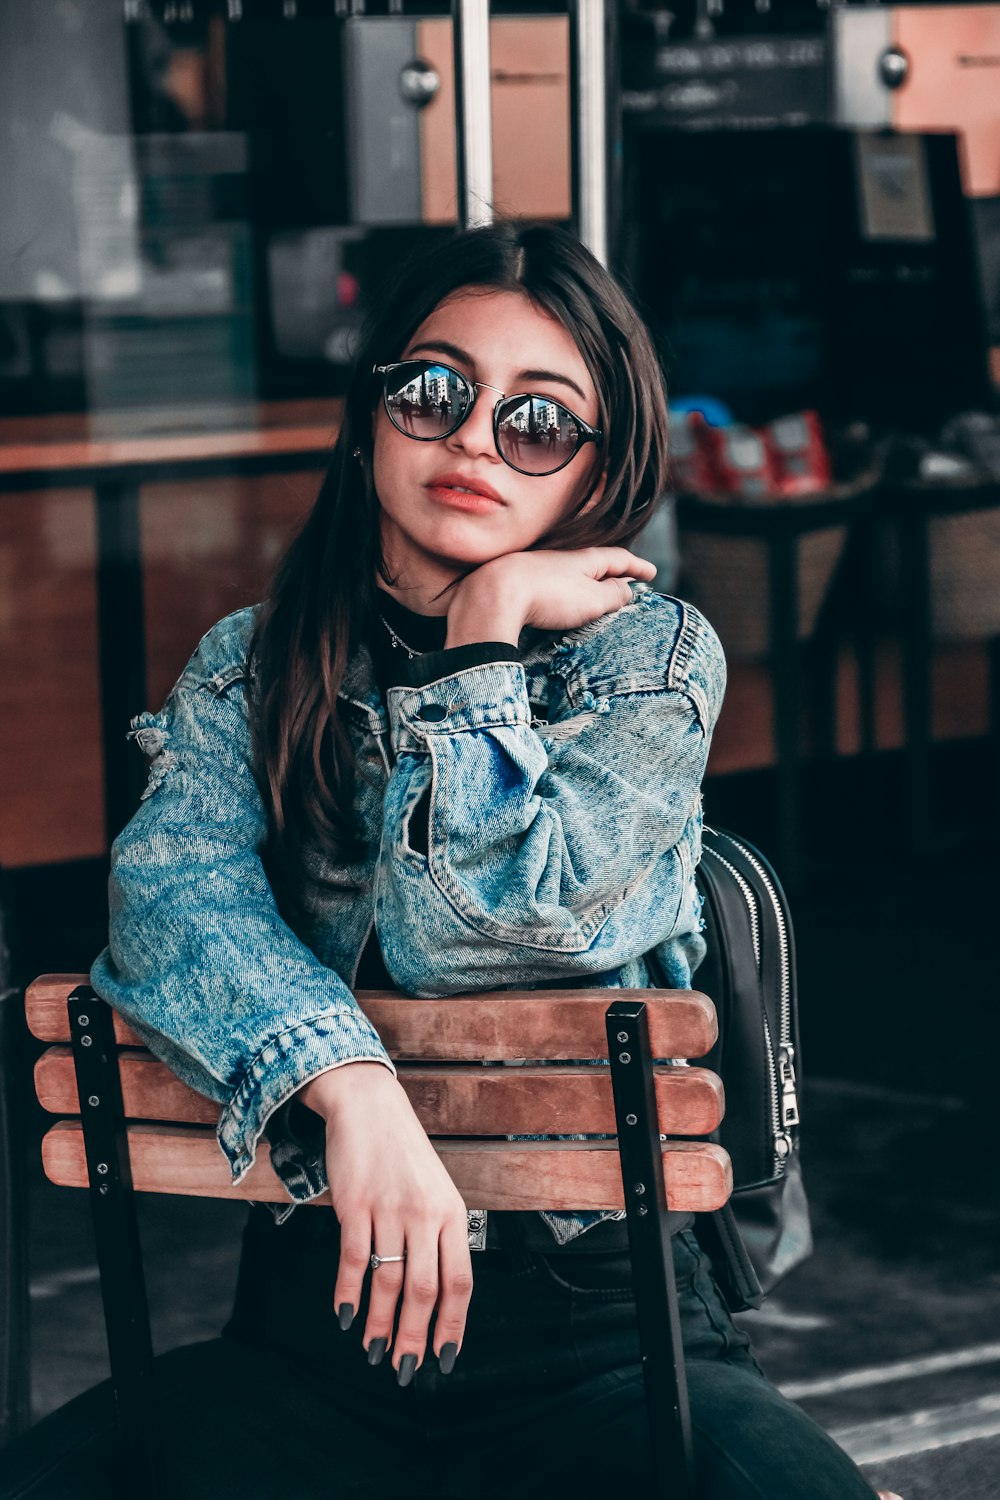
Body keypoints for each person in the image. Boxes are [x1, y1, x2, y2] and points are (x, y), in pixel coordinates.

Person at [21, 223, 895, 1498]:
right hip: (309, 1347)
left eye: (538, 421)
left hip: (607, 1341)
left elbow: (486, 934)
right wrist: (351, 1088)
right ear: (372, 415)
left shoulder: (648, 664)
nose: (476, 438)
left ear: (600, 473)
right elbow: (167, 902)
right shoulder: (251, 667)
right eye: (437, 392)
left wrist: (477, 645)